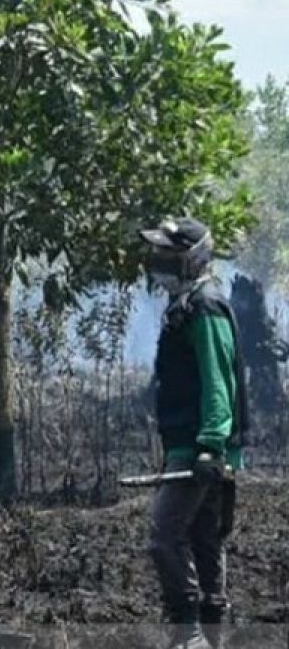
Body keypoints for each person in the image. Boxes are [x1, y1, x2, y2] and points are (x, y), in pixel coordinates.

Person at [141, 217, 248, 649]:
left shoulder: (205, 307)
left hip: (201, 445)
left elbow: (219, 381)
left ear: (192, 259)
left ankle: (188, 631)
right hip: (192, 442)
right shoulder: (186, 305)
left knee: (164, 534)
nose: (158, 262)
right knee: (204, 537)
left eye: (168, 254)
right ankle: (211, 634)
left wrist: (209, 447)